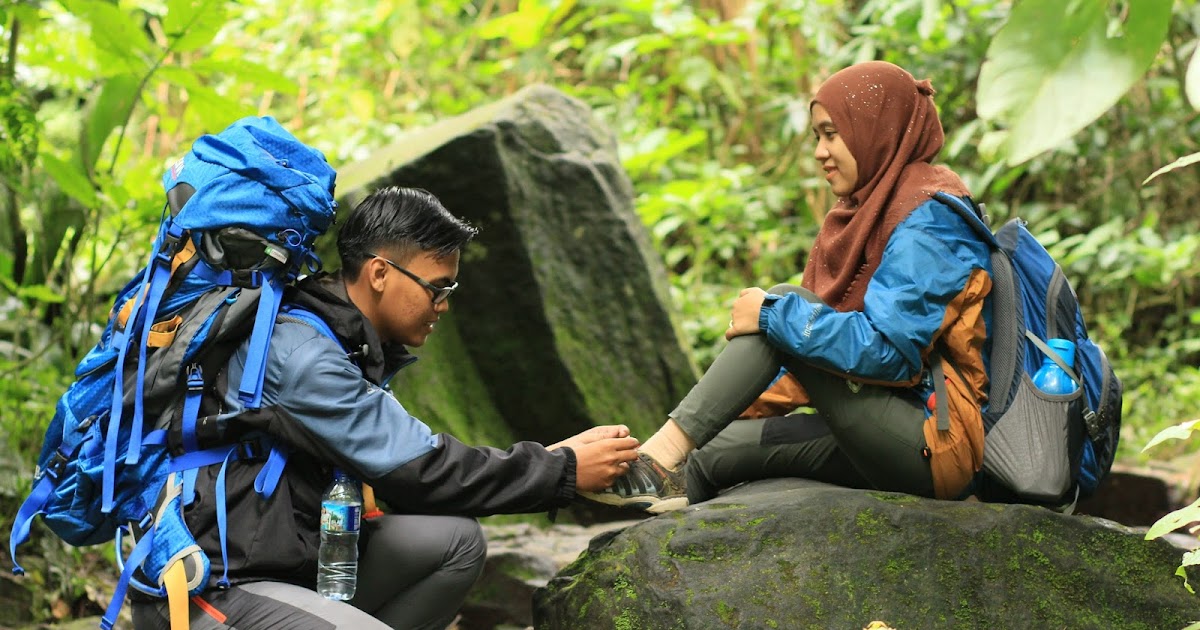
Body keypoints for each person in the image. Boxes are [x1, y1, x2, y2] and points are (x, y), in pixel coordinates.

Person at [131, 186, 641, 629]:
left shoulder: (339, 337)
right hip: (210, 586)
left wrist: (551, 462)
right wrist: (563, 471)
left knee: (454, 543)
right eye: (437, 288)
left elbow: (413, 461)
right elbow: (419, 469)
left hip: (285, 554)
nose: (443, 305)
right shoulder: (305, 355)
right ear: (379, 273)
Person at [580, 60, 993, 513]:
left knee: (786, 304)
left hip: (937, 441)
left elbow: (891, 355)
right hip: (886, 420)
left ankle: (656, 460)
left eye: (832, 133)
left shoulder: (929, 219)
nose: (820, 151)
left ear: (876, 130)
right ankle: (657, 486)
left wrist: (771, 315)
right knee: (706, 456)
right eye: (818, 136)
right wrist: (712, 415)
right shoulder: (873, 210)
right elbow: (803, 363)